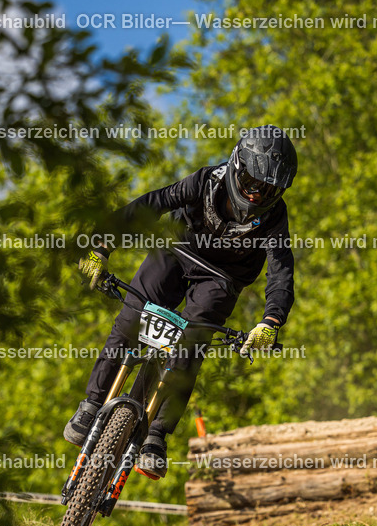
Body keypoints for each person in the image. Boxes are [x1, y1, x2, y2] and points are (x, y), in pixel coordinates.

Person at [65, 124, 298, 480]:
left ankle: (156, 434)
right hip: (176, 251)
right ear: (237, 168)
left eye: (268, 190)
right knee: (132, 318)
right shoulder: (205, 181)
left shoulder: (275, 216)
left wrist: (271, 321)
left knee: (189, 348)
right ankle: (92, 404)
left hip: (221, 278)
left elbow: (281, 271)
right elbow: (150, 204)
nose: (256, 196)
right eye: (252, 184)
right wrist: (101, 246)